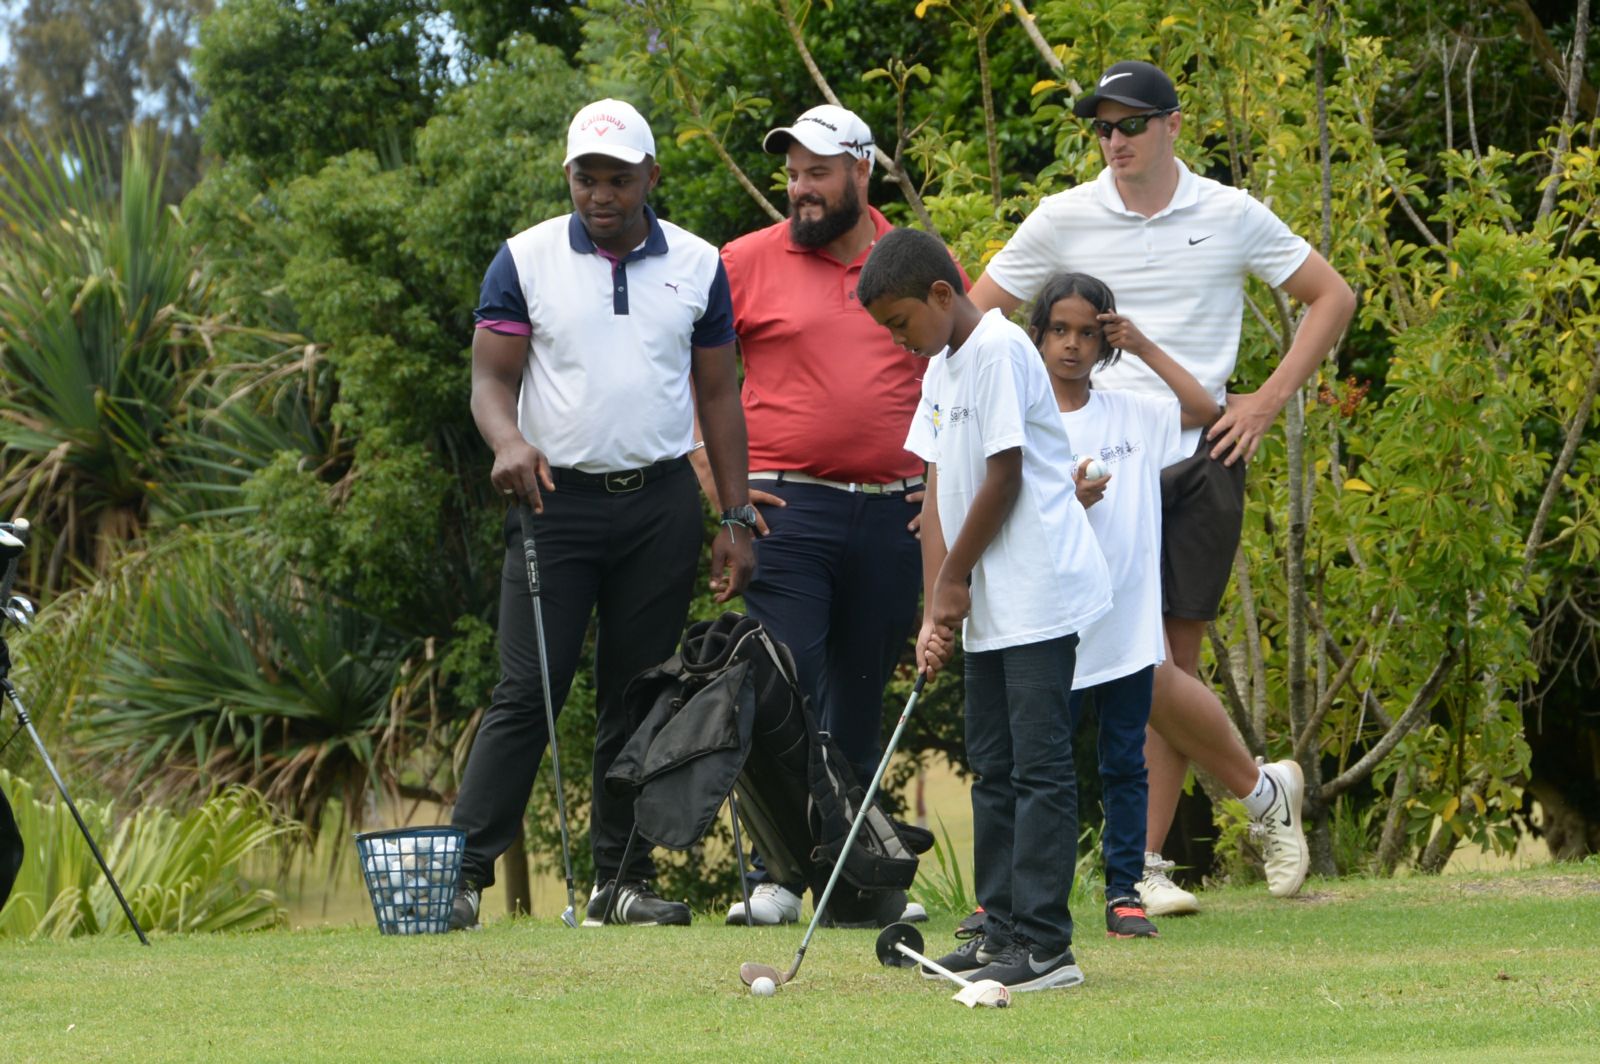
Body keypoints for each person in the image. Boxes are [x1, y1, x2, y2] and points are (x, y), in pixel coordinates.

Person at [970, 60, 1357, 912]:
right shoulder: (1063, 216)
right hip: (1100, 469)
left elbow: (1331, 296)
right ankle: (1261, 793)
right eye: (1103, 128)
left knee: (1164, 666)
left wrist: (1266, 399)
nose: (1116, 142)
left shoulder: (1227, 212)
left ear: (1173, 126)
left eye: (1132, 125)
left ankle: (1141, 865)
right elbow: (975, 313)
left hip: (1202, 453)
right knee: (1138, 669)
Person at [448, 98, 756, 930]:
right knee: (528, 691)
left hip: (658, 502)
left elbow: (719, 393)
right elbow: (489, 382)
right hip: (554, 502)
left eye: (618, 178)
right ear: (570, 179)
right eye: (586, 178)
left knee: (640, 695)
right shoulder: (526, 258)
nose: (601, 195)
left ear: (650, 177)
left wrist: (736, 517)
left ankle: (617, 883)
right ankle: (460, 877)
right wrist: (507, 441)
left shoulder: (697, 264)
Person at [860, 226, 1113, 992]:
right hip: (986, 603)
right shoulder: (941, 368)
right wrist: (936, 606)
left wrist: (956, 580)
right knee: (995, 769)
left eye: (902, 323)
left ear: (942, 294)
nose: (901, 342)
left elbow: (1003, 476)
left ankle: (1045, 948)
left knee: (1039, 770)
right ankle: (1000, 928)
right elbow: (938, 489)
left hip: (1038, 589)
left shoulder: (1002, 350)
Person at [699, 105, 933, 927]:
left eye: (817, 173)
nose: (799, 189)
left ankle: (851, 877)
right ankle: (779, 875)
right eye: (793, 174)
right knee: (781, 690)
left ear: (861, 173)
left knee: (858, 703)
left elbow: (954, 371)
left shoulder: (912, 257)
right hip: (785, 508)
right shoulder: (743, 262)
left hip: (891, 513)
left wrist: (940, 490)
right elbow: (694, 374)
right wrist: (712, 476)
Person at [1028, 272, 1219, 939]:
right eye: (1059, 331)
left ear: (1104, 341)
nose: (1072, 346)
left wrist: (1141, 347)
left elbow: (1205, 409)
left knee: (1124, 762)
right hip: (1051, 623)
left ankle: (1123, 894)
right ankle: (1027, 900)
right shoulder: (1026, 420)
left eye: (1087, 333)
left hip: (1126, 628)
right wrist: (1065, 506)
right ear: (1039, 335)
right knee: (1043, 767)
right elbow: (1009, 514)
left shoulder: (1131, 413)